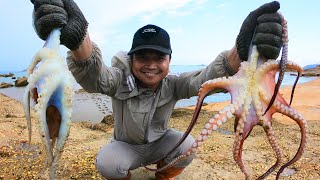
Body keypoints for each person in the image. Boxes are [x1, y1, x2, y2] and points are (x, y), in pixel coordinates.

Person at [31, 0, 283, 179]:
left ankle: (164, 174)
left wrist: (242, 49)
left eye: (159, 58)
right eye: (143, 57)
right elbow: (94, 74)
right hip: (126, 147)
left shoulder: (173, 84)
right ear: (131, 60)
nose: (151, 65)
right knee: (108, 163)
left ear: (169, 61)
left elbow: (207, 77)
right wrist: (78, 37)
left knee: (188, 146)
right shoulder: (118, 80)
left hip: (160, 143)